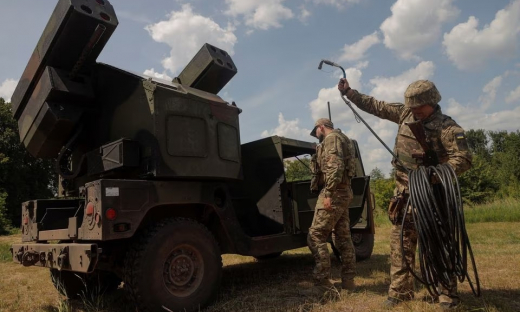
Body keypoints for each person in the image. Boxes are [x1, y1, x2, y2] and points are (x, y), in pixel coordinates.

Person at [338, 78, 472, 310]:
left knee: (439, 246)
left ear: (431, 102)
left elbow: (463, 159)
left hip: (434, 199)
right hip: (404, 198)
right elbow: (376, 106)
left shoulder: (448, 128)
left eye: (418, 107)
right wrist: (350, 92)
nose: (414, 111)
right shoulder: (404, 115)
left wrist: (433, 175)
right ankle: (400, 292)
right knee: (400, 247)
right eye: (411, 106)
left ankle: (446, 294)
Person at [305, 118, 357, 295]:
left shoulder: (331, 139)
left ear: (321, 127)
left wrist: (328, 193)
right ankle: (348, 282)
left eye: (316, 131)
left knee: (316, 236)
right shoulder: (344, 138)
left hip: (334, 192)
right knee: (342, 236)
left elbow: (335, 167)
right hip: (344, 191)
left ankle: (322, 284)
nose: (317, 135)